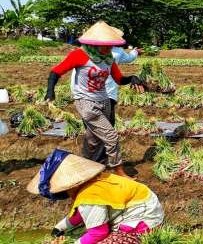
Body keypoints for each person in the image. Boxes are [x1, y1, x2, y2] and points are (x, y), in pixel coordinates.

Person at [44, 21, 144, 177]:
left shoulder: (108, 57)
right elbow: (55, 72)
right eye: (105, 45)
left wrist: (132, 78)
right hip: (85, 101)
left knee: (93, 139)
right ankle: (118, 170)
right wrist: (50, 92)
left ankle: (86, 168)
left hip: (104, 100)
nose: (109, 48)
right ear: (94, 43)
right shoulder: (79, 55)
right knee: (111, 136)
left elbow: (118, 79)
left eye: (111, 45)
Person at [27, 149, 164, 244]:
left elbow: (98, 232)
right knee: (82, 231)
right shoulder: (93, 180)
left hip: (143, 222)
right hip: (149, 208)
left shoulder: (90, 195)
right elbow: (80, 213)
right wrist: (60, 227)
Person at [70, 28, 141, 164]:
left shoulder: (84, 52)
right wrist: (135, 52)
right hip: (103, 95)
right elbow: (129, 58)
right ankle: (98, 162)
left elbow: (119, 77)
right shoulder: (117, 52)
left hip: (87, 94)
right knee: (105, 131)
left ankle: (93, 162)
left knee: (95, 131)